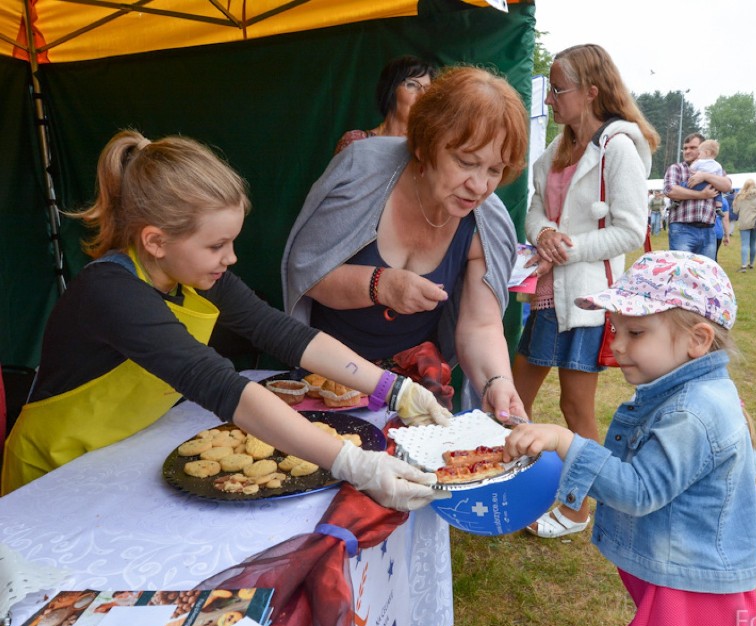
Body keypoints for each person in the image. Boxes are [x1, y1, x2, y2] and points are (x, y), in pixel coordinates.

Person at [0, 130, 454, 511]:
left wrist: (393, 389)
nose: (231, 258)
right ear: (156, 241)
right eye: (217, 246)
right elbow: (220, 385)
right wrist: (353, 464)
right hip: (53, 473)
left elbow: (279, 331)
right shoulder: (110, 294)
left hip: (118, 454)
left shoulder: (190, 272)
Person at [504, 251, 756, 626]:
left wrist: (566, 441)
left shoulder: (694, 411)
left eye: (635, 333)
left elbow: (640, 491)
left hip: (690, 588)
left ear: (698, 340)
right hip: (680, 575)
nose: (617, 346)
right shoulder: (692, 392)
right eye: (614, 329)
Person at [282, 66, 529, 421]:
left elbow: (482, 325)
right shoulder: (360, 172)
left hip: (419, 392)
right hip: (329, 379)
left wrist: (496, 382)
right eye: (466, 162)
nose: (479, 186)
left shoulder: (487, 222)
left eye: (494, 170)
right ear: (427, 143)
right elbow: (307, 273)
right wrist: (381, 285)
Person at [511, 43, 658, 538]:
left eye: (558, 89)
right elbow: (533, 209)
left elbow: (630, 231)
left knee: (577, 410)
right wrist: (542, 234)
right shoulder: (555, 150)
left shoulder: (618, 147)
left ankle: (577, 509)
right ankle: (516, 485)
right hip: (547, 295)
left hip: (586, 302)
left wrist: (565, 246)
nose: (549, 99)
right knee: (513, 396)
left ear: (591, 91)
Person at [333, 55, 437, 155]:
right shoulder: (355, 142)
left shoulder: (427, 149)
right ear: (390, 89)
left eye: (427, 90)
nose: (422, 95)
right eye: (412, 85)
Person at [664, 133, 732, 258]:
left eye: (692, 148)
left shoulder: (714, 167)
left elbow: (727, 186)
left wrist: (705, 176)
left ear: (704, 150)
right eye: (685, 148)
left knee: (705, 274)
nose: (687, 151)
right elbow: (670, 191)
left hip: (708, 229)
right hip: (682, 228)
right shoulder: (677, 168)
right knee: (682, 271)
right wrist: (701, 194)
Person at [732, 179, 756, 272]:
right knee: (753, 243)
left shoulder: (740, 196)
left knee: (745, 244)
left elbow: (735, 210)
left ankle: (743, 265)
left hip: (744, 222)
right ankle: (751, 263)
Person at [714, 193, 731, 259]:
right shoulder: (723, 201)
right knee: (714, 256)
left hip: (705, 230)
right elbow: (725, 220)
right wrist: (727, 236)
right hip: (717, 232)